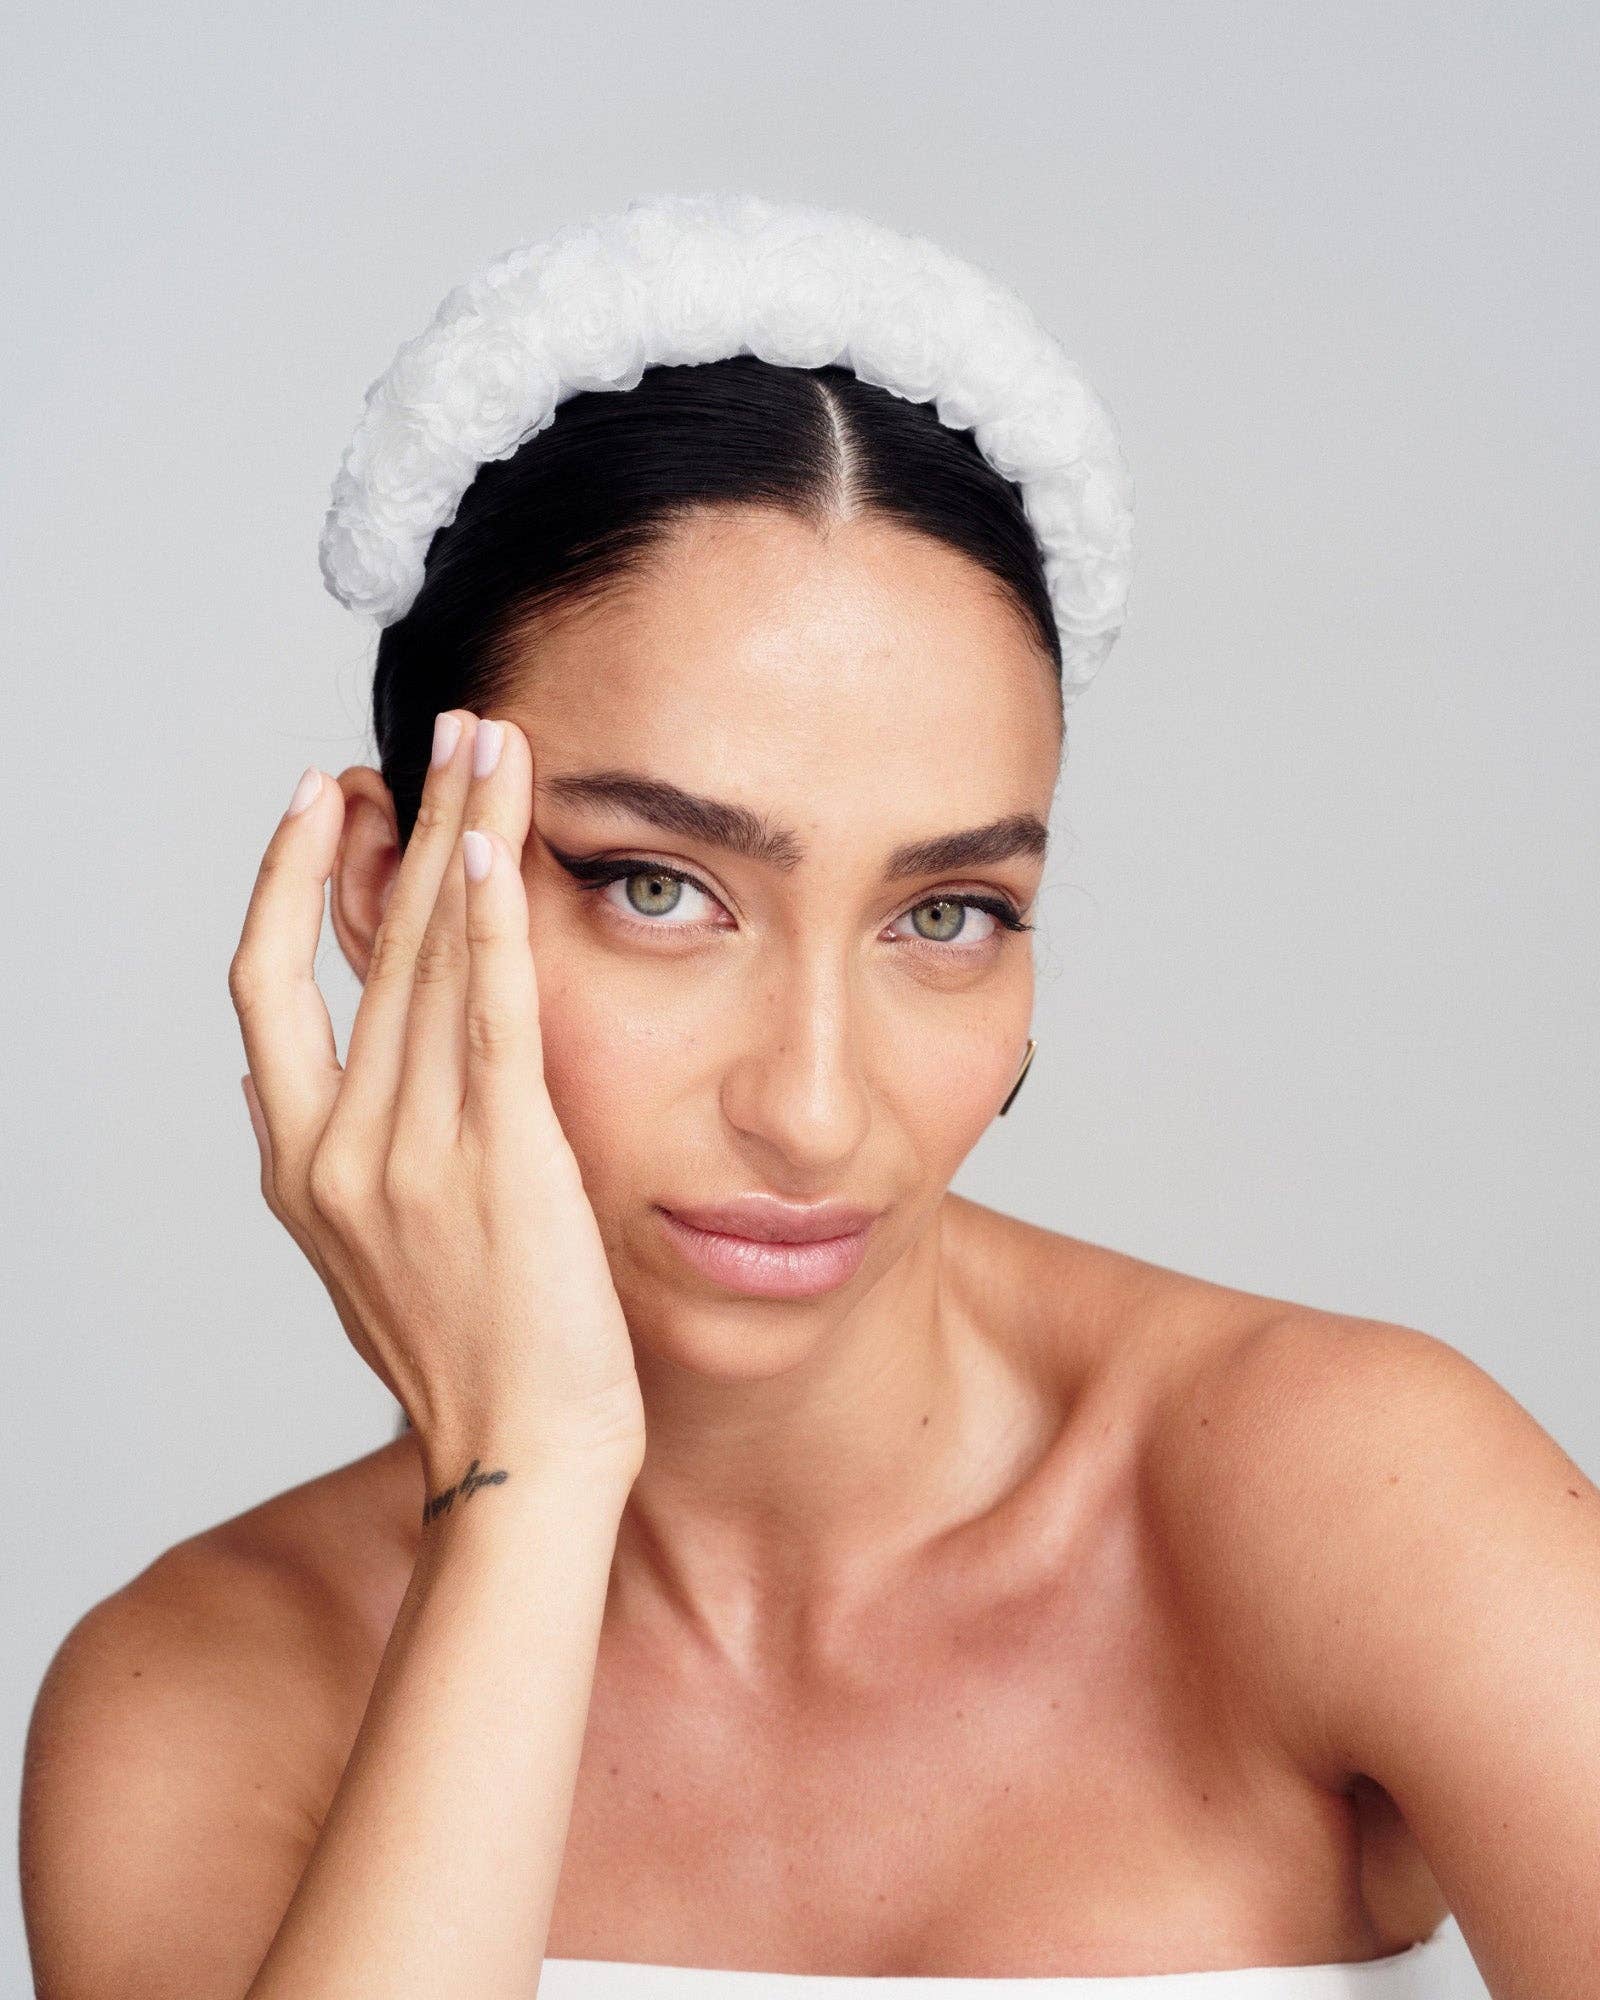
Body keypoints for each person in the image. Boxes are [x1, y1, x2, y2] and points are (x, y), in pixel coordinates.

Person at [19, 194, 1598, 2000]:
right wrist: (530, 1492)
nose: (815, 1109)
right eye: (659, 888)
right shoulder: (200, 1693)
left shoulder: (1356, 1499)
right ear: (385, 893)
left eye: (948, 914)